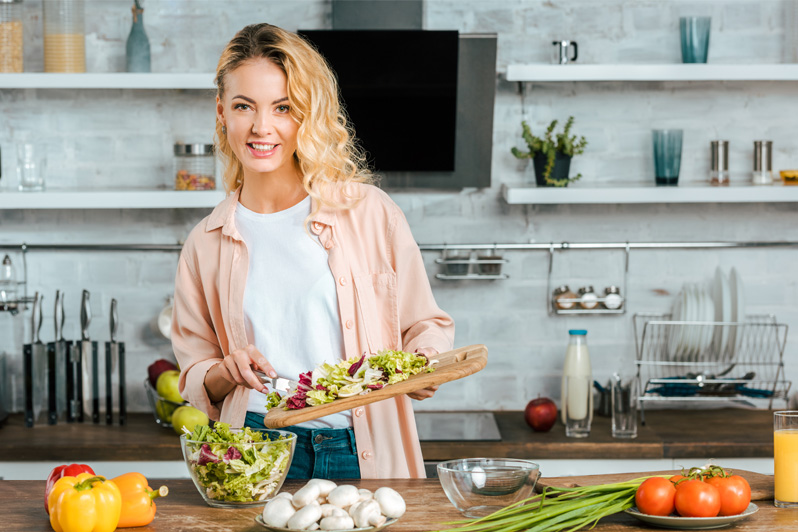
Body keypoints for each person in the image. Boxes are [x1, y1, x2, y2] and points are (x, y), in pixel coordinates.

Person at [171, 23, 454, 480]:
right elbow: (195, 375)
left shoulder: (369, 213)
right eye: (245, 106)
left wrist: (423, 362)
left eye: (283, 108)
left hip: (358, 445)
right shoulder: (205, 243)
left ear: (307, 115)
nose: (262, 128)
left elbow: (426, 324)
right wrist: (227, 369)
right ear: (222, 112)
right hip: (256, 446)